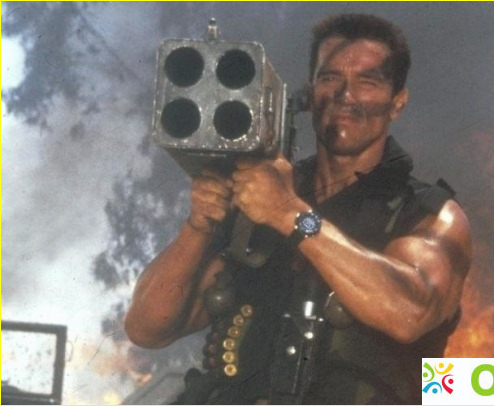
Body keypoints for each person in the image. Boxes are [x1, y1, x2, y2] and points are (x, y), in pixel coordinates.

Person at [125, 13, 471, 404]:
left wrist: (290, 215)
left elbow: (409, 311)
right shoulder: (258, 199)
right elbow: (146, 329)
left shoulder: (428, 213)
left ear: (397, 102)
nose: (345, 95)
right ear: (310, 91)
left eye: (368, 82)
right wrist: (198, 226)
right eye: (330, 78)